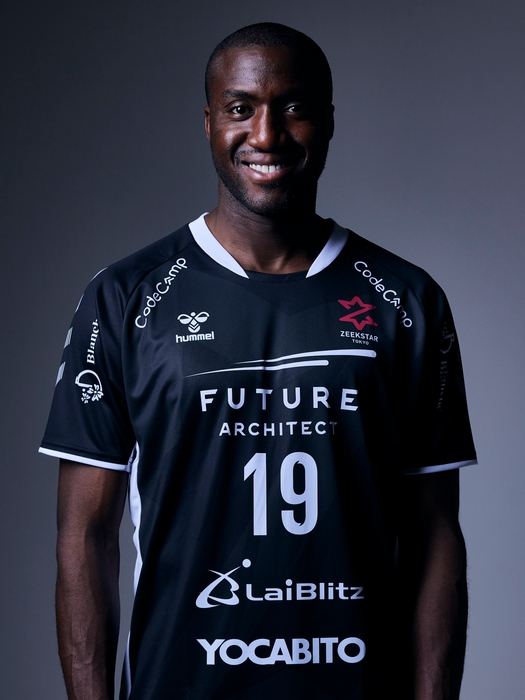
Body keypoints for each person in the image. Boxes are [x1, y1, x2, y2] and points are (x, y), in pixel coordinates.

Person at [40, 22, 477, 700]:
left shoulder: (406, 300)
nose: (266, 135)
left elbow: (435, 534)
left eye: (293, 107)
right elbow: (84, 536)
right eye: (240, 108)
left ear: (328, 122)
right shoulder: (125, 298)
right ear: (209, 122)